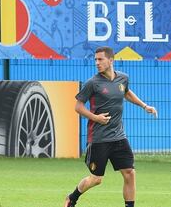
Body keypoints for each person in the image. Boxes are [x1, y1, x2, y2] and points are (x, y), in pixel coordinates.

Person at [64, 46, 157, 207]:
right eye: (95, 60)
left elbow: (126, 92)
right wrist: (96, 118)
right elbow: (78, 107)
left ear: (111, 60)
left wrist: (144, 106)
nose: (97, 63)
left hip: (119, 137)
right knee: (96, 179)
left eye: (100, 59)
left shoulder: (123, 78)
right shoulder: (92, 83)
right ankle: (72, 197)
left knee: (129, 173)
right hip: (99, 139)